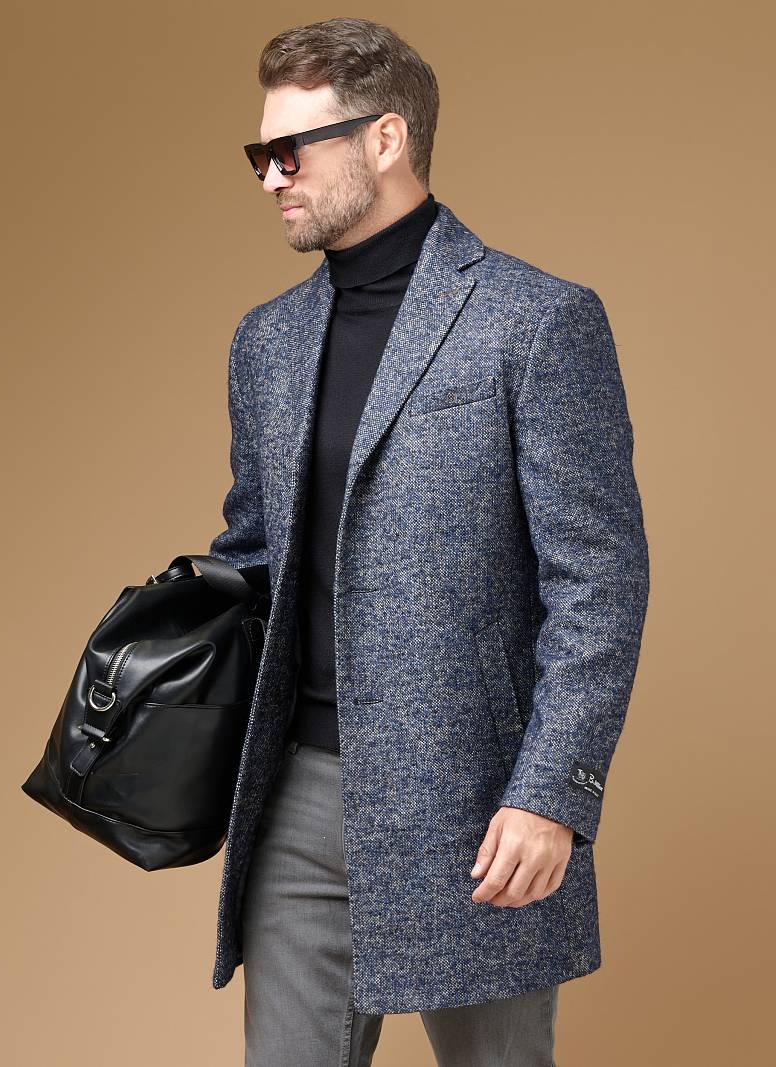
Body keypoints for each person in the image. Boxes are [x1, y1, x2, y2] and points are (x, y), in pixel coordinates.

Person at [208, 16, 650, 1067]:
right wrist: (155, 652)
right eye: (260, 154)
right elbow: (255, 553)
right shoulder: (266, 341)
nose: (271, 177)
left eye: (290, 150)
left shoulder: (534, 320)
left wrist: (550, 793)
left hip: (477, 801)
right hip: (298, 796)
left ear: (386, 139)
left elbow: (599, 579)